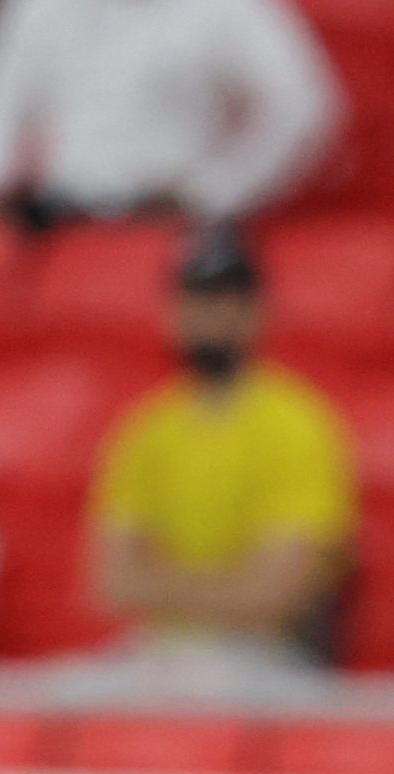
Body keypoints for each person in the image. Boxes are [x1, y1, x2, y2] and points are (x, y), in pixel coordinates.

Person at [87, 227, 355, 669]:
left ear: (257, 310)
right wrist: (232, 588)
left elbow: (278, 594)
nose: (211, 314)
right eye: (198, 298)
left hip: (267, 656)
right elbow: (112, 581)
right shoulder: (147, 427)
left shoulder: (298, 424)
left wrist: (163, 584)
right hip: (159, 652)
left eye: (227, 299)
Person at [0, 0, 339, 225]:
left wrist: (212, 194)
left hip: (164, 225)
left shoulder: (225, 7)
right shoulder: (39, 7)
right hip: (58, 224)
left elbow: (302, 105)